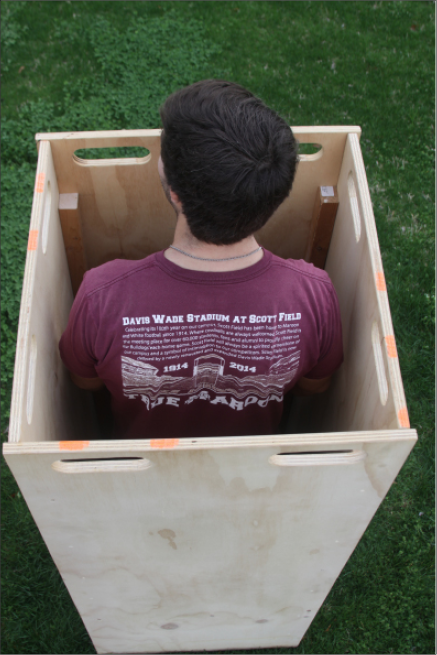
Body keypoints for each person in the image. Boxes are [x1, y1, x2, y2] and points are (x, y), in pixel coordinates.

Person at [59, 80, 343, 439]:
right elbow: (314, 386)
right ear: (276, 193)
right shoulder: (314, 294)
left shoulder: (102, 294)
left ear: (175, 194)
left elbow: (84, 382)